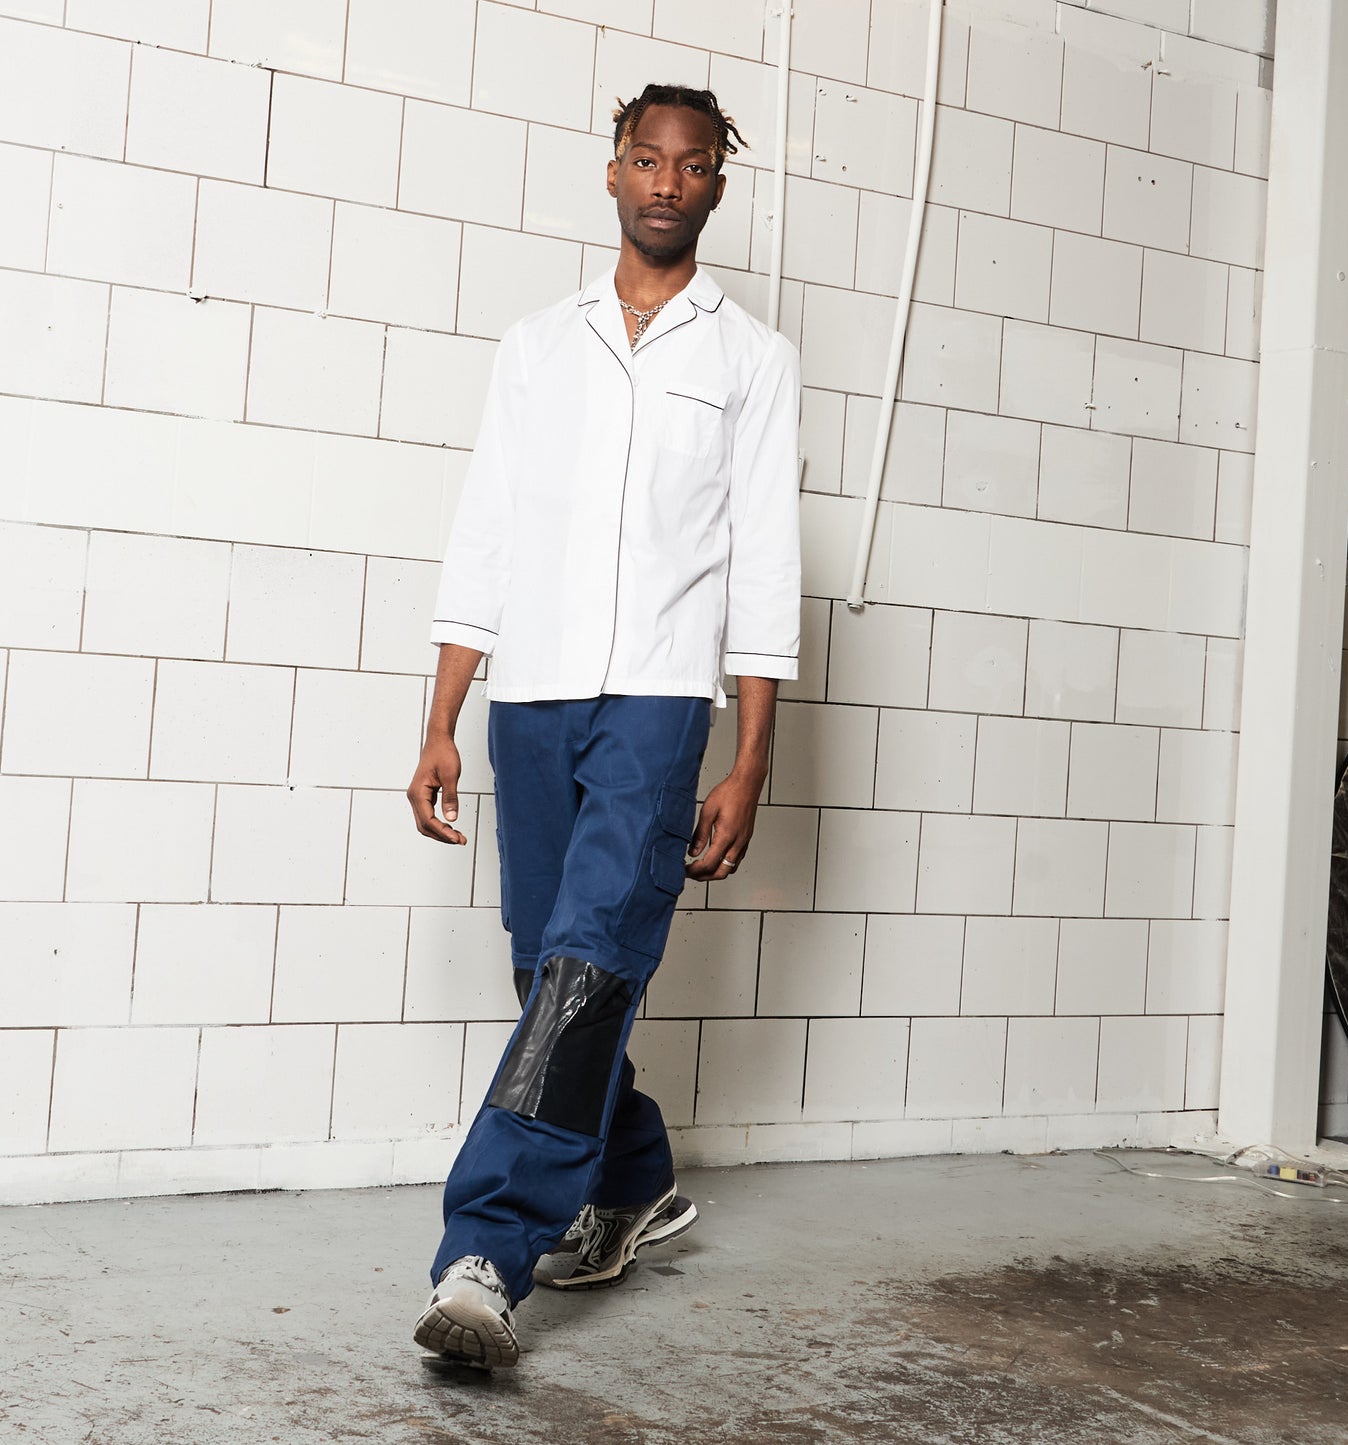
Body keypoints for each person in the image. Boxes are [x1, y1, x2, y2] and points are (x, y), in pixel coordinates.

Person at [406, 82, 802, 1370]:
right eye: (645, 158)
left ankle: (487, 1253)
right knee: (551, 970)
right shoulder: (537, 347)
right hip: (529, 695)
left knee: (587, 959)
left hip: (656, 699)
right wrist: (443, 715)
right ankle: (634, 1176)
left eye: (691, 165)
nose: (666, 181)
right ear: (615, 172)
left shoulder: (752, 363)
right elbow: (489, 533)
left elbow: (765, 564)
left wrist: (751, 755)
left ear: (716, 189)